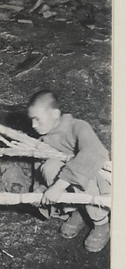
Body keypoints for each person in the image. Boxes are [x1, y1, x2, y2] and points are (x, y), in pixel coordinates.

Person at [27, 90, 110, 253]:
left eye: (37, 119)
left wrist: (58, 187)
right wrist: (39, 188)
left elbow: (92, 155)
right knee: (49, 166)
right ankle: (78, 211)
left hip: (96, 181)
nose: (33, 125)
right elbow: (39, 167)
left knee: (84, 174)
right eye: (31, 120)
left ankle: (101, 223)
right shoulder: (44, 139)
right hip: (73, 187)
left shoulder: (78, 126)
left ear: (55, 113)